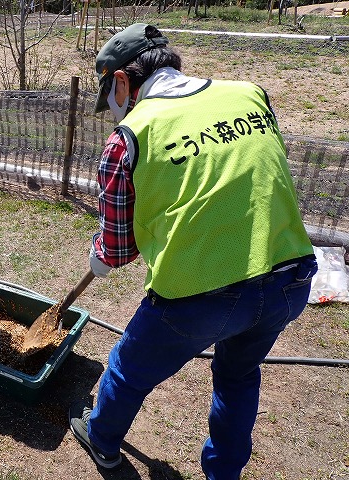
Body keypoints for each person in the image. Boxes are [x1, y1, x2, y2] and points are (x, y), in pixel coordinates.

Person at [68, 23, 318, 478]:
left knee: (128, 367)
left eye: (110, 91)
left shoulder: (130, 135)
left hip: (199, 298)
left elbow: (118, 248)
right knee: (238, 377)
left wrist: (100, 255)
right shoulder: (249, 95)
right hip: (289, 277)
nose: (112, 105)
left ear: (122, 80)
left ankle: (102, 439)